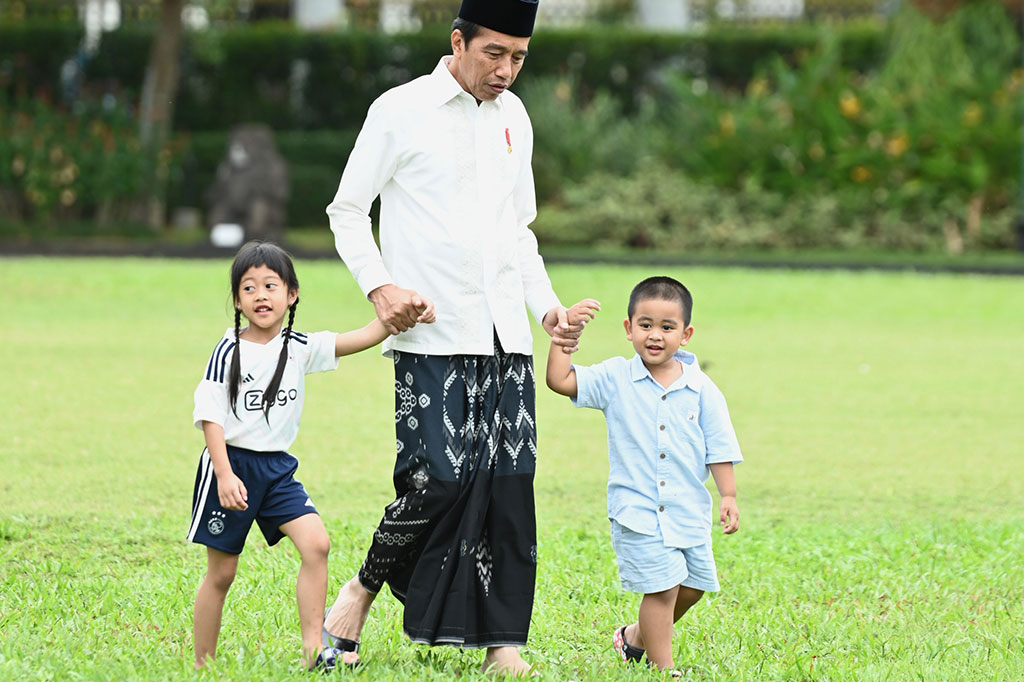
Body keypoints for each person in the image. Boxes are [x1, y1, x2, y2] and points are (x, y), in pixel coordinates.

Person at [323, 0, 589, 674]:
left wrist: (548, 310)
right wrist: (380, 287)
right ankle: (357, 593)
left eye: (519, 57)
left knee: (509, 482)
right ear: (458, 41)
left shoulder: (515, 119)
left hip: (506, 336)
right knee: (435, 480)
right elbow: (348, 209)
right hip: (431, 333)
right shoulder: (400, 109)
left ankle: (504, 642)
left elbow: (517, 232)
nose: (506, 70)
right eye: (494, 53)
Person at [188, 241, 434, 672]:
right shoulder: (228, 350)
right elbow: (210, 417)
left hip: (277, 470)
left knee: (317, 544)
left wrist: (403, 312)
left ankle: (313, 648)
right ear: (237, 301)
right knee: (222, 573)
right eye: (248, 288)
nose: (260, 295)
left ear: (292, 294)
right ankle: (202, 665)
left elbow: (362, 336)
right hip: (232, 466)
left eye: (270, 285)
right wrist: (224, 475)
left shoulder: (299, 346)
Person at [546, 276, 742, 675]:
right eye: (646, 325)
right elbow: (560, 380)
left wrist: (728, 495)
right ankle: (661, 667)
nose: (655, 335)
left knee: (693, 587)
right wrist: (562, 342)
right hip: (637, 509)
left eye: (667, 327)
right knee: (662, 589)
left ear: (685, 334)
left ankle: (634, 637)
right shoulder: (615, 378)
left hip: (687, 508)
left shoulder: (703, 389)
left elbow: (719, 445)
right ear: (628, 328)